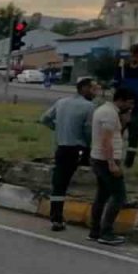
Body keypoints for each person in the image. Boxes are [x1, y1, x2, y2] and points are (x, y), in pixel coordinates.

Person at [39, 78, 98, 231]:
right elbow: (88, 130)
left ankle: (56, 216)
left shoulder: (61, 102)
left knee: (59, 183)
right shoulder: (89, 106)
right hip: (78, 148)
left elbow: (45, 119)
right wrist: (89, 147)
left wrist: (58, 130)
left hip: (61, 147)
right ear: (84, 89)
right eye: (93, 89)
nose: (96, 92)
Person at [88, 88, 135, 246]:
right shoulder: (109, 113)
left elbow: (115, 134)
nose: (130, 106)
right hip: (105, 160)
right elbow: (106, 140)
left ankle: (95, 231)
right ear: (121, 100)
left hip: (99, 158)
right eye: (129, 103)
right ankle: (106, 232)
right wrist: (112, 163)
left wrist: (125, 121)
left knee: (102, 196)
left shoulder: (107, 111)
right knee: (119, 196)